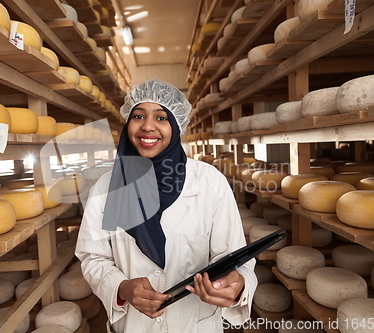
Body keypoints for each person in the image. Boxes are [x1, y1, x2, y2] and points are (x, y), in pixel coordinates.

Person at [75, 79, 256, 333]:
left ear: (176, 125)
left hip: (197, 324)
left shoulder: (209, 180)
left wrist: (237, 285)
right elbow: (93, 257)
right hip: (136, 326)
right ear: (128, 123)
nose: (147, 126)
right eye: (138, 116)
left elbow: (236, 258)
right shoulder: (105, 188)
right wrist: (122, 288)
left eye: (161, 118)